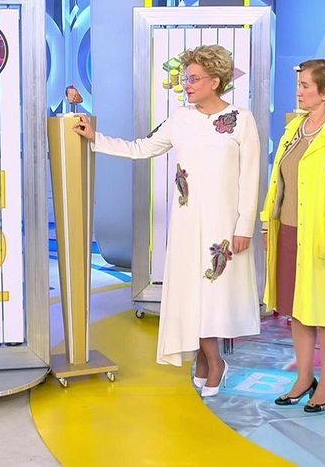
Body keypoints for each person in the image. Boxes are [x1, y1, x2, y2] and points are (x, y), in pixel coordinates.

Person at [73, 45, 261, 398]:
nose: (186, 84)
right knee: (191, 292)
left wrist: (244, 227)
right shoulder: (180, 119)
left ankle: (213, 361)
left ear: (215, 81)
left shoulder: (241, 119)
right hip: (187, 224)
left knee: (214, 292)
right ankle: (206, 360)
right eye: (185, 78)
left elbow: (251, 177)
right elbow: (141, 148)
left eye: (194, 78)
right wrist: (96, 138)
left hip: (224, 226)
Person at [259, 59, 325, 412]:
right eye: (299, 84)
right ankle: (304, 378)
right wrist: (267, 223)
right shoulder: (295, 129)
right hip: (290, 233)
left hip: (324, 238)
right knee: (299, 310)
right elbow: (279, 180)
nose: (299, 91)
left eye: (305, 86)